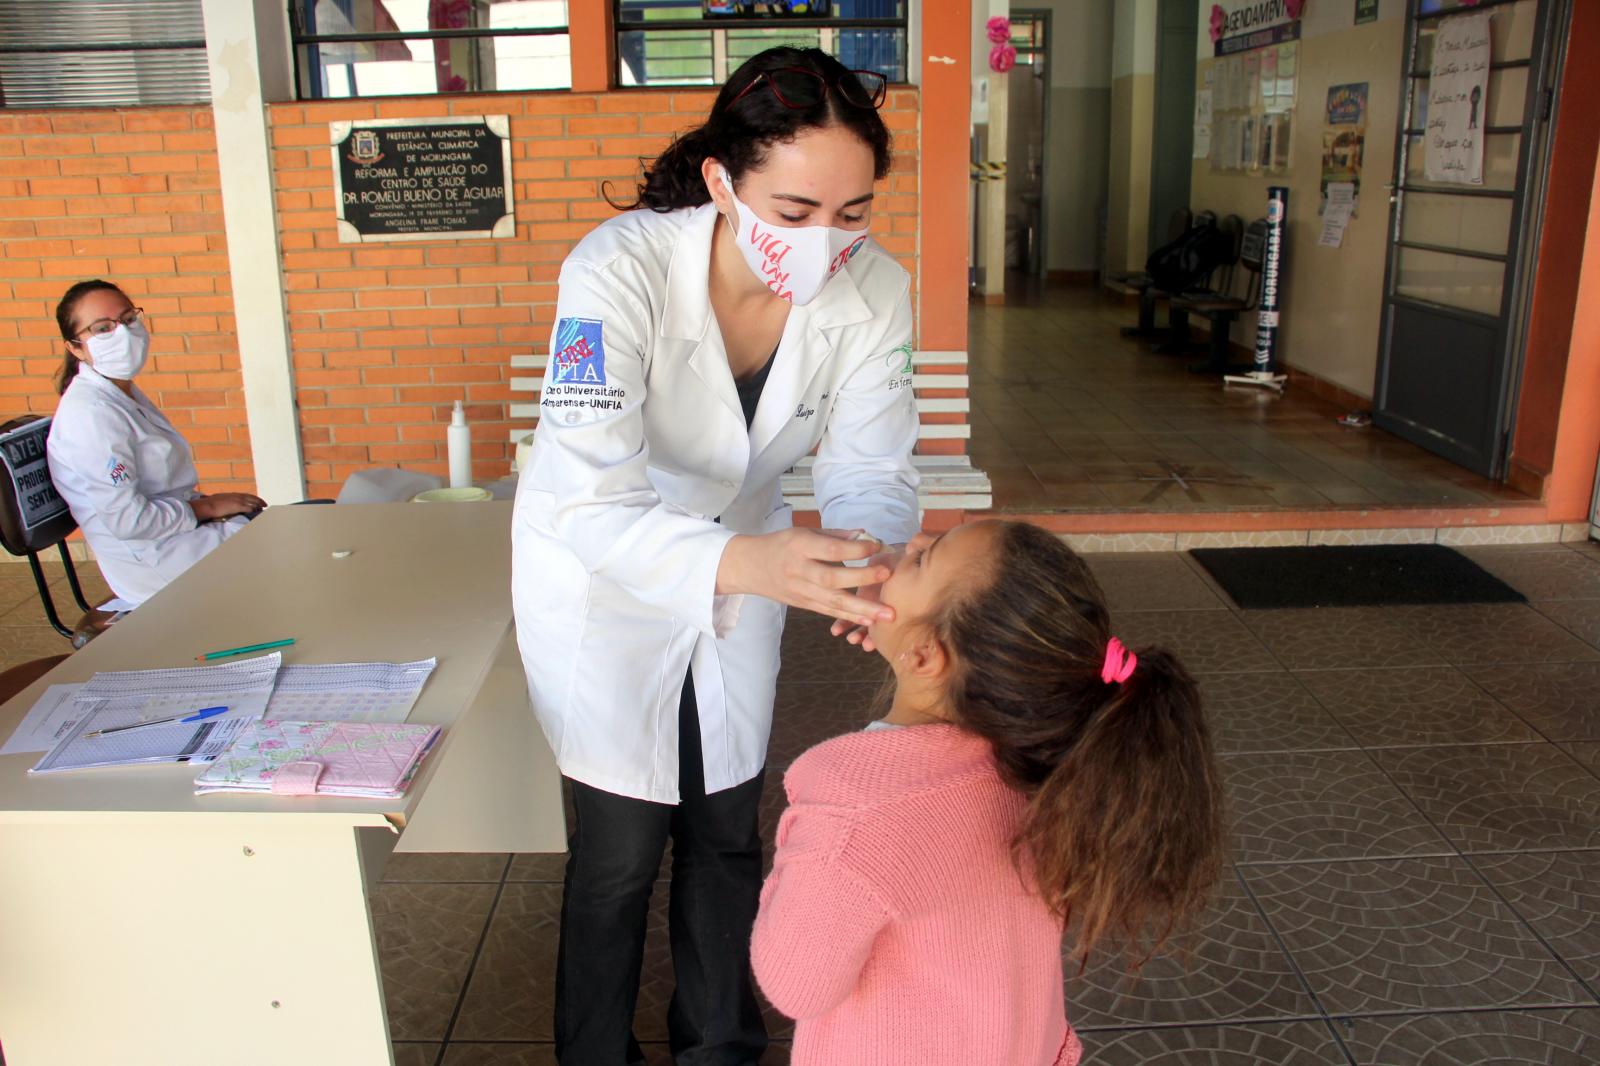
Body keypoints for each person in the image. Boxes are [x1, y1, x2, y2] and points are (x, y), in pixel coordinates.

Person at [510, 45, 919, 1065]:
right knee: (617, 850)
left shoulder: (875, 293)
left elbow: (870, 465)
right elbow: (593, 501)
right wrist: (751, 563)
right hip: (605, 570)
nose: (827, 241)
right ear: (719, 181)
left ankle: (718, 1042)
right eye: (792, 212)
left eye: (853, 212)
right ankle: (593, 1051)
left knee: (728, 822)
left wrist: (862, 550)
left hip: (751, 562)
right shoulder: (615, 271)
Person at [751, 520, 1227, 1066]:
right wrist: (904, 636)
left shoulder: (857, 812)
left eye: (924, 561)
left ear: (928, 656)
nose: (915, 542)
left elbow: (795, 986)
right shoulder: (1049, 759)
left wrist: (797, 865)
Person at [46, 280, 265, 609]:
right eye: (102, 328)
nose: (123, 334)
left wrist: (209, 511)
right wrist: (206, 508)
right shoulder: (90, 415)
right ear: (75, 347)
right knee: (295, 549)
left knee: (299, 525)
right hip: (156, 564)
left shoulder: (118, 392)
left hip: (180, 537)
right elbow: (129, 521)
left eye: (128, 319)